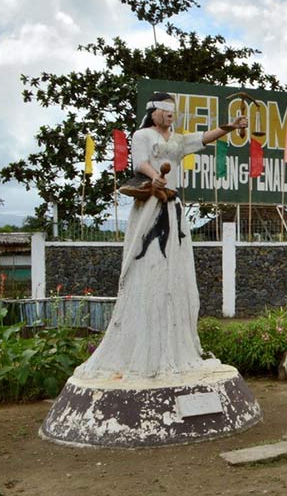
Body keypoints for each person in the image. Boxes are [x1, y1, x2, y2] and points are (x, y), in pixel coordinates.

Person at [75, 92, 247, 380]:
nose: (170, 114)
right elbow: (139, 162)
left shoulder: (177, 141)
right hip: (151, 202)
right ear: (153, 111)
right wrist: (154, 175)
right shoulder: (142, 135)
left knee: (174, 269)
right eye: (165, 110)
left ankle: (175, 341)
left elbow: (204, 137)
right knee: (148, 261)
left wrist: (230, 126)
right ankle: (143, 341)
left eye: (172, 110)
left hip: (173, 204)